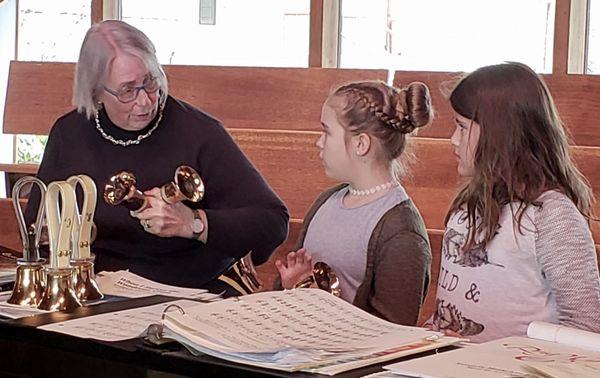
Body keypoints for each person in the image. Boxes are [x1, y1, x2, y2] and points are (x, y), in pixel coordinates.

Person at [24, 20, 289, 292]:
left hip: (189, 295)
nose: (146, 101)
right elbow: (38, 226)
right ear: (96, 92)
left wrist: (194, 223)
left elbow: (272, 222)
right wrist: (48, 236)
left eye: (150, 82)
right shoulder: (69, 132)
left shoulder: (199, 132)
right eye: (128, 90)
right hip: (95, 293)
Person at [431, 62, 600, 342]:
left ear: (500, 134)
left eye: (461, 127)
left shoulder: (553, 216)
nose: (453, 139)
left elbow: (586, 326)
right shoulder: (469, 203)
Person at [275, 80, 434, 325]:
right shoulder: (326, 201)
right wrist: (291, 286)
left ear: (361, 144)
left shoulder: (401, 231)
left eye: (326, 132)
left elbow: (394, 333)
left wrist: (314, 298)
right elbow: (289, 287)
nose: (319, 142)